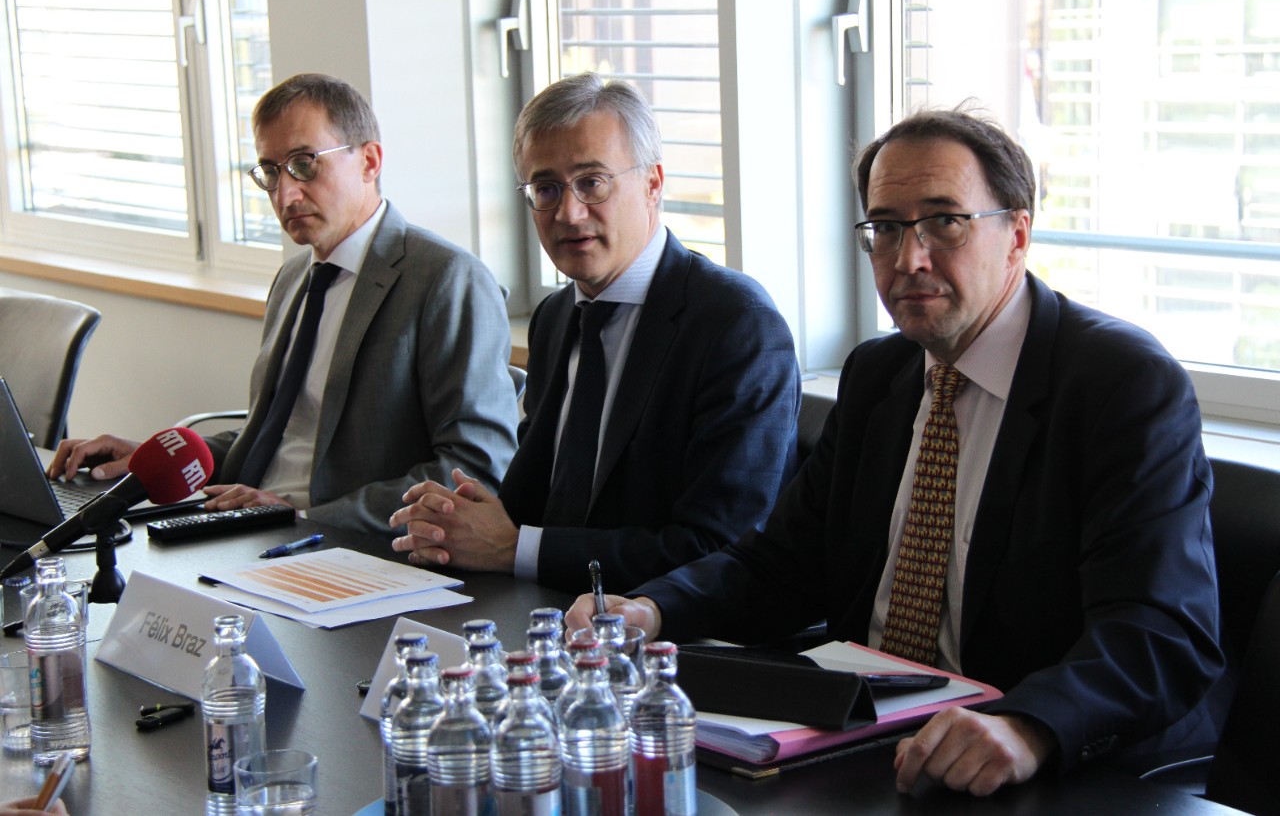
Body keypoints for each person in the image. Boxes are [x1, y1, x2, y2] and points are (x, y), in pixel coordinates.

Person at [567, 107, 1228, 796]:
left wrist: (1029, 724)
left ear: (1018, 234)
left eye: (945, 221)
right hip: (872, 740)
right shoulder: (880, 373)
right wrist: (650, 609)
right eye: (885, 228)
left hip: (1050, 762)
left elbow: (1160, 632)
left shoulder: (1121, 383)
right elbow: (782, 565)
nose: (910, 259)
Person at [48, 73, 518, 535]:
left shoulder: (445, 279)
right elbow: (282, 437)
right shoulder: (295, 276)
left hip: (345, 541)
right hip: (249, 526)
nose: (285, 194)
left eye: (304, 164)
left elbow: (472, 468)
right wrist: (155, 458)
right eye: (271, 172)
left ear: (370, 161)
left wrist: (304, 516)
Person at [390, 72, 800, 593]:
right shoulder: (557, 316)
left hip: (672, 635)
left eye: (591, 182)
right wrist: (453, 522)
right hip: (546, 614)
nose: (569, 213)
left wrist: (513, 548)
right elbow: (529, 506)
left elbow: (719, 548)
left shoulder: (737, 325)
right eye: (546, 188)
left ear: (653, 183)